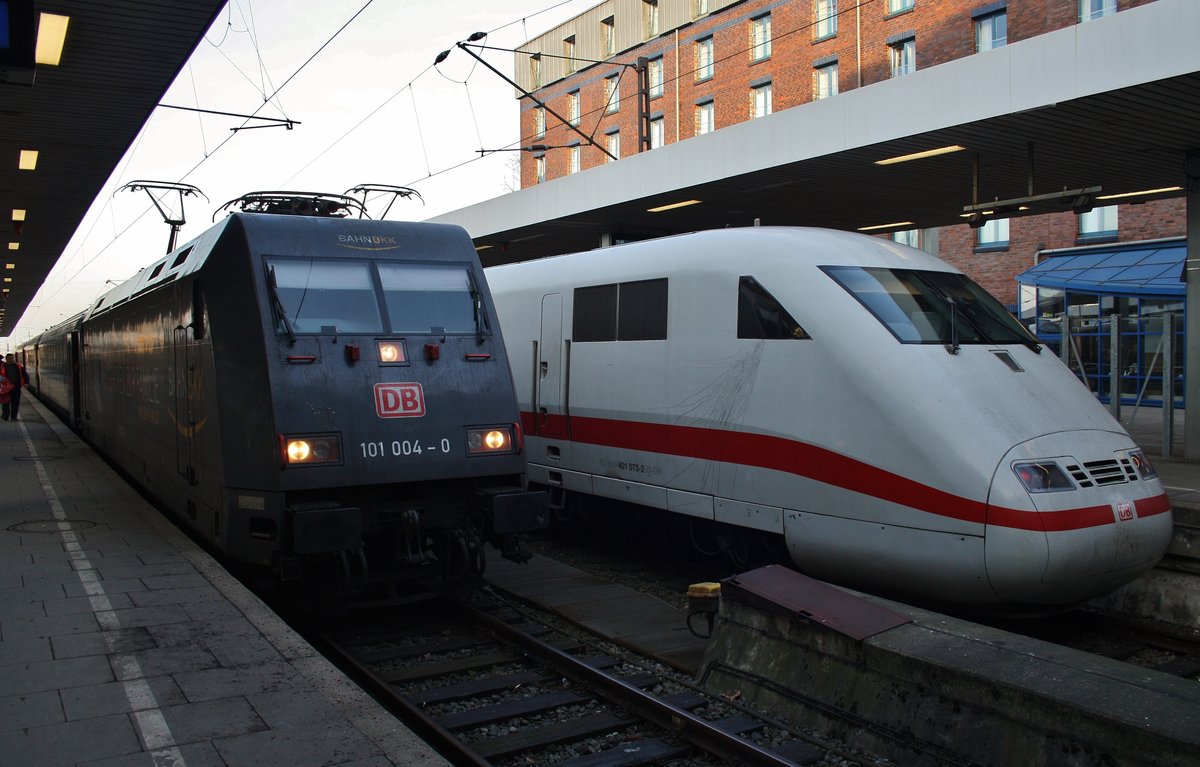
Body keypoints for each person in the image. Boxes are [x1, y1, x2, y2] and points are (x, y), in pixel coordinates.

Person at [1, 353, 28, 421]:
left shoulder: (18, 366)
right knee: (5, 403)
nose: (11, 360)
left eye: (12, 358)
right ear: (6, 359)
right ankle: (5, 416)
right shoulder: (2, 367)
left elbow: (25, 374)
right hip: (6, 388)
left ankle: (14, 417)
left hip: (16, 387)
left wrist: (26, 382)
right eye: (9, 359)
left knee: (15, 403)